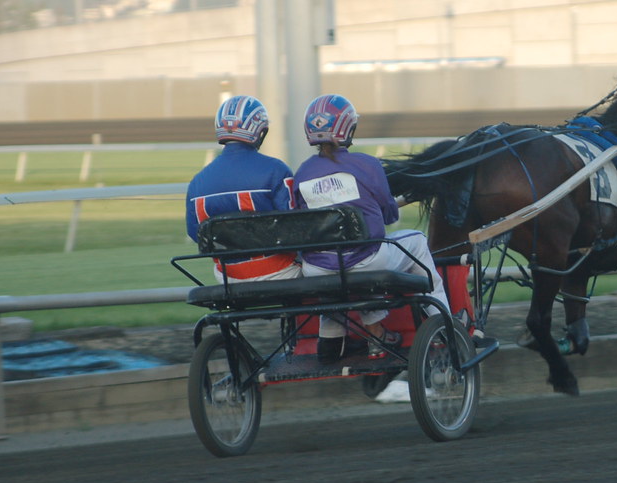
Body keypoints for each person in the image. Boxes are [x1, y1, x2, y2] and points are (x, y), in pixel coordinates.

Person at [293, 94, 450, 363]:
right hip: (366, 260)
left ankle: (333, 336)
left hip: (318, 268)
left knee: (341, 264)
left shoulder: (302, 173)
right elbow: (389, 216)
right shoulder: (367, 164)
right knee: (415, 241)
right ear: (348, 128)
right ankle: (443, 323)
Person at [185, 95, 301, 283]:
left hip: (227, 277)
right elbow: (294, 227)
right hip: (280, 271)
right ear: (258, 130)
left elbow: (196, 234)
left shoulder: (197, 182)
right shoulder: (276, 170)